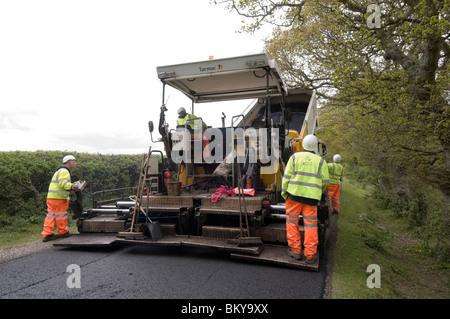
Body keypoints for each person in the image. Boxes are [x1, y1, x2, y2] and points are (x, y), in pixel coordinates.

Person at [281, 135, 329, 263]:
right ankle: (310, 255)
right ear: (315, 146)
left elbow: (286, 177)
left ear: (303, 145)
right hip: (311, 199)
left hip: (294, 196)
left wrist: (284, 193)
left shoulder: (294, 157)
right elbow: (325, 182)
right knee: (310, 226)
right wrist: (316, 191)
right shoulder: (321, 162)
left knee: (292, 223)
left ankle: (296, 251)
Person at [41, 155, 79, 242]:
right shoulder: (64, 171)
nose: (75, 163)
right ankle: (63, 232)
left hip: (52, 197)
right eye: (74, 161)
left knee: (51, 215)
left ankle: (47, 234)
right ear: (69, 162)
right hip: (59, 199)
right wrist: (72, 186)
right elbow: (63, 182)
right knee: (61, 215)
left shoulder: (59, 171)